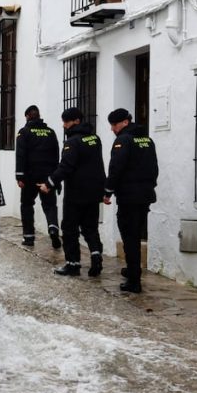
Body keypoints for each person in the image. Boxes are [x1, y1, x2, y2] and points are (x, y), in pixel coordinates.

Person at [39, 107, 106, 277]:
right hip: (94, 192)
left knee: (69, 228)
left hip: (76, 193)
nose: (64, 125)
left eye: (66, 121)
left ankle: (73, 264)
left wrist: (49, 183)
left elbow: (66, 167)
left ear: (76, 121)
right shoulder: (95, 139)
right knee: (91, 228)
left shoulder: (72, 142)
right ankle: (96, 256)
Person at [104, 108, 159, 293]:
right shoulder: (147, 140)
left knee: (130, 237)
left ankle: (134, 280)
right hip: (145, 196)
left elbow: (115, 168)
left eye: (114, 124)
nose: (112, 129)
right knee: (135, 235)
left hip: (129, 197)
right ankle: (132, 269)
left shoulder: (123, 140)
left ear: (125, 122)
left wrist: (108, 191)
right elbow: (154, 168)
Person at [15, 105, 61, 248]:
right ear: (39, 116)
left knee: (27, 205)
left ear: (27, 117)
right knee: (50, 205)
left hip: (30, 177)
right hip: (48, 177)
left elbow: (20, 155)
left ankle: (29, 238)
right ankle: (53, 229)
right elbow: (56, 154)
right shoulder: (50, 132)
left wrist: (19, 176)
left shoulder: (24, 132)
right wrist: (55, 178)